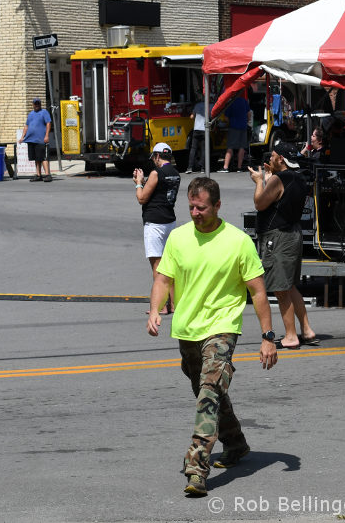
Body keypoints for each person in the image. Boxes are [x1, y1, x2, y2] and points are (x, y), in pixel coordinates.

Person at [146, 177, 277, 497]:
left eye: (201, 207)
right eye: (190, 207)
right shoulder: (178, 238)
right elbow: (163, 279)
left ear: (218, 206)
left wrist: (268, 336)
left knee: (208, 393)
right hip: (188, 329)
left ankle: (196, 467)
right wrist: (154, 309)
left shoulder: (237, 241)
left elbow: (258, 291)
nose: (194, 212)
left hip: (222, 328)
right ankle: (235, 443)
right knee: (207, 389)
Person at [250, 142, 318, 350]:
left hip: (278, 237)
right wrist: (269, 178)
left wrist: (259, 181)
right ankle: (306, 330)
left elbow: (260, 203)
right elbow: (279, 199)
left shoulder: (282, 178)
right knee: (289, 285)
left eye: (272, 156)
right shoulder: (299, 178)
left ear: (281, 159)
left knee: (280, 288)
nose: (269, 159)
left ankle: (290, 335)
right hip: (292, 234)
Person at [134, 142, 182, 315]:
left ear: (157, 156)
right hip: (169, 221)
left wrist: (139, 183)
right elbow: (160, 190)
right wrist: (146, 182)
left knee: (158, 266)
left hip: (154, 223)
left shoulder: (156, 172)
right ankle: (175, 304)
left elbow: (142, 198)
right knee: (170, 264)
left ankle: (162, 305)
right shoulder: (175, 173)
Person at [20, 97, 52, 182]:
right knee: (36, 158)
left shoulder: (44, 112)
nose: (37, 105)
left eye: (38, 103)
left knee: (43, 157)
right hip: (31, 139)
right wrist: (22, 137)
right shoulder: (30, 114)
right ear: (33, 104)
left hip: (41, 139)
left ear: (40, 104)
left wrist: (47, 136)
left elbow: (48, 123)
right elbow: (26, 126)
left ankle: (48, 175)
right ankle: (38, 175)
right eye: (35, 103)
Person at [222, 95, 252, 172]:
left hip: (234, 127)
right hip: (243, 127)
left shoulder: (230, 102)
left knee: (230, 147)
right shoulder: (244, 101)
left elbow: (226, 118)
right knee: (242, 147)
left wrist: (228, 122)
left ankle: (225, 167)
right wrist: (246, 121)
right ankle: (239, 167)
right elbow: (249, 114)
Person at [187, 100, 206, 174]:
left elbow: (191, 117)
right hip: (204, 130)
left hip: (196, 129)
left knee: (193, 148)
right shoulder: (209, 106)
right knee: (203, 149)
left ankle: (189, 167)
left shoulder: (197, 105)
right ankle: (203, 168)